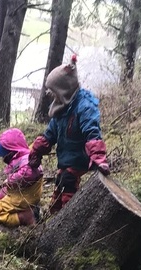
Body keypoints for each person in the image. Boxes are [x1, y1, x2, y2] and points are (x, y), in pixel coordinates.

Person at [28, 55, 110, 214]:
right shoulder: (61, 108)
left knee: (68, 181)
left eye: (54, 92)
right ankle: (54, 213)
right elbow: (50, 132)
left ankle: (68, 215)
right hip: (66, 157)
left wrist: (98, 157)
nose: (52, 96)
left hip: (78, 156)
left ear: (63, 90)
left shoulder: (84, 106)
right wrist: (37, 150)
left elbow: (92, 132)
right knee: (60, 180)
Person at [0, 128, 43, 228]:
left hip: (23, 198)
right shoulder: (23, 158)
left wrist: (10, 180)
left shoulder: (28, 160)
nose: (3, 159)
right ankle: (30, 210)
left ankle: (24, 216)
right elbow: (8, 189)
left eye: (4, 155)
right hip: (21, 195)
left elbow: (28, 174)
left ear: (11, 151)